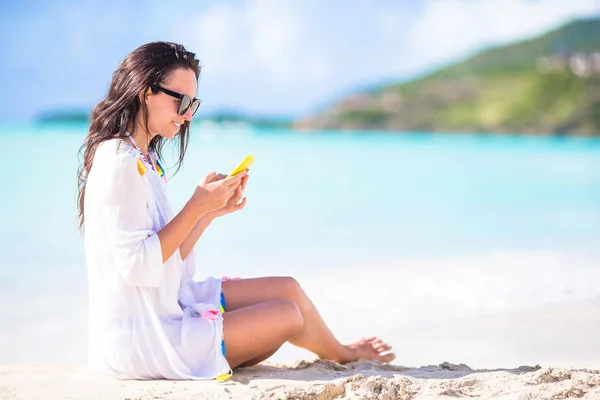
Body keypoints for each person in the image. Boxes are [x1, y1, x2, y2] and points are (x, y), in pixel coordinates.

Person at [76, 41, 395, 381]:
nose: (188, 115)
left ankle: (341, 352)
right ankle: (340, 354)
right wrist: (196, 204)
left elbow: (169, 260)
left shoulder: (145, 158)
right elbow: (138, 266)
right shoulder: (119, 163)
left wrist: (208, 212)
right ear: (146, 93)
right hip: (143, 339)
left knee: (288, 289)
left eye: (193, 104)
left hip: (163, 303)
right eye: (181, 101)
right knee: (288, 315)